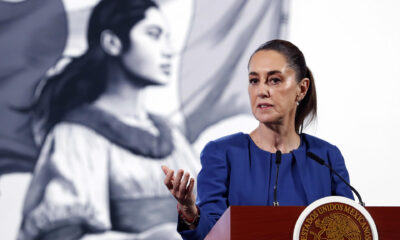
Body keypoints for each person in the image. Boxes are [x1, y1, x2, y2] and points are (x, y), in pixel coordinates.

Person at [18, 0, 200, 239]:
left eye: (167, 37)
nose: (168, 50)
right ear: (112, 43)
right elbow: (62, 233)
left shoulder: (170, 135)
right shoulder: (78, 135)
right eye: (153, 35)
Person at [162, 39, 354, 239]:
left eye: (275, 80)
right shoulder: (221, 154)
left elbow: (350, 228)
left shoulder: (327, 157)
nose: (262, 91)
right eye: (254, 81)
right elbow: (211, 233)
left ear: (302, 89)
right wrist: (190, 210)